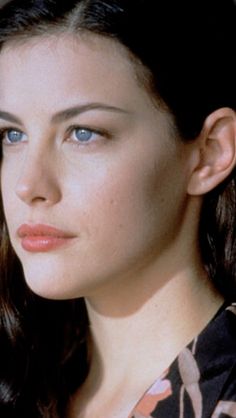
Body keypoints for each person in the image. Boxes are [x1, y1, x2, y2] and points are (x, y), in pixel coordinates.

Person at [0, 0, 235, 417]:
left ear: (209, 153)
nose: (28, 186)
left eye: (83, 133)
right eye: (12, 135)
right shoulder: (22, 380)